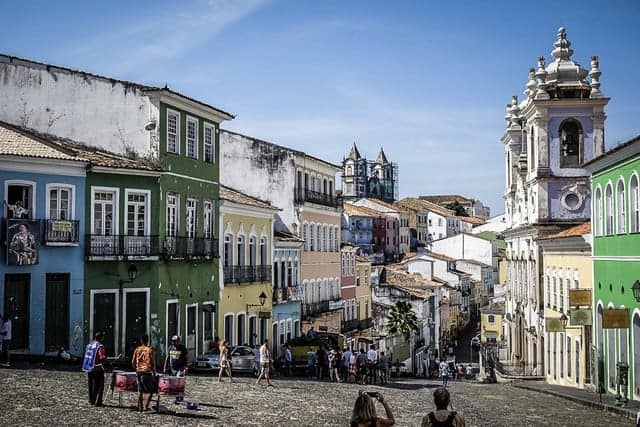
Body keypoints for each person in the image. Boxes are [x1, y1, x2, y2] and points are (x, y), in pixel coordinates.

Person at [131, 334, 156, 412]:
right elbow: (153, 362)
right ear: (148, 340)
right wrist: (154, 372)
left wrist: (136, 368)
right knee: (151, 391)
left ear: (141, 340)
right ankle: (145, 407)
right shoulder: (150, 349)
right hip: (147, 372)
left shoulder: (137, 349)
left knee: (140, 390)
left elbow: (132, 362)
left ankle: (140, 407)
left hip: (138, 372)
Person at [82, 331, 106, 406]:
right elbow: (101, 356)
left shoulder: (89, 345)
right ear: (101, 338)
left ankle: (91, 400)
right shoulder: (100, 346)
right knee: (98, 386)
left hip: (89, 368)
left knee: (91, 385)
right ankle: (97, 402)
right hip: (97, 368)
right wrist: (106, 358)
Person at [163, 335, 188, 404]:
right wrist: (165, 367)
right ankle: (178, 396)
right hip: (172, 368)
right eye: (173, 341)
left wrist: (186, 367)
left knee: (178, 381)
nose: (173, 343)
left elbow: (186, 358)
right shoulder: (170, 348)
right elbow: (167, 358)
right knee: (174, 383)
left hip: (181, 368)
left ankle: (177, 397)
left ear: (178, 341)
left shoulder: (182, 348)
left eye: (175, 341)